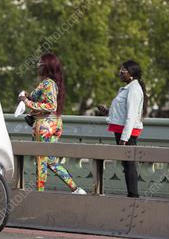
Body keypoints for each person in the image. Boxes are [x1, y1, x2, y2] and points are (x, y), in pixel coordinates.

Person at [19, 53, 87, 195]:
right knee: (50, 161)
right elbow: (44, 102)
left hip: (44, 124)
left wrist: (26, 102)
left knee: (40, 160)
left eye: (40, 64)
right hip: (55, 123)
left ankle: (40, 194)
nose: (37, 66)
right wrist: (28, 96)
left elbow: (51, 106)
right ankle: (76, 189)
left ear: (47, 66)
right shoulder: (52, 83)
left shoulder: (47, 83)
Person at [98, 60, 148, 198]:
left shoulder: (134, 90)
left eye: (122, 71)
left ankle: (133, 195)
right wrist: (107, 111)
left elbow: (131, 116)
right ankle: (131, 194)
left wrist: (124, 138)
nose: (119, 73)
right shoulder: (125, 89)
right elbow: (122, 113)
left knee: (129, 163)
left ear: (131, 74)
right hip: (120, 129)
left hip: (127, 132)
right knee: (126, 163)